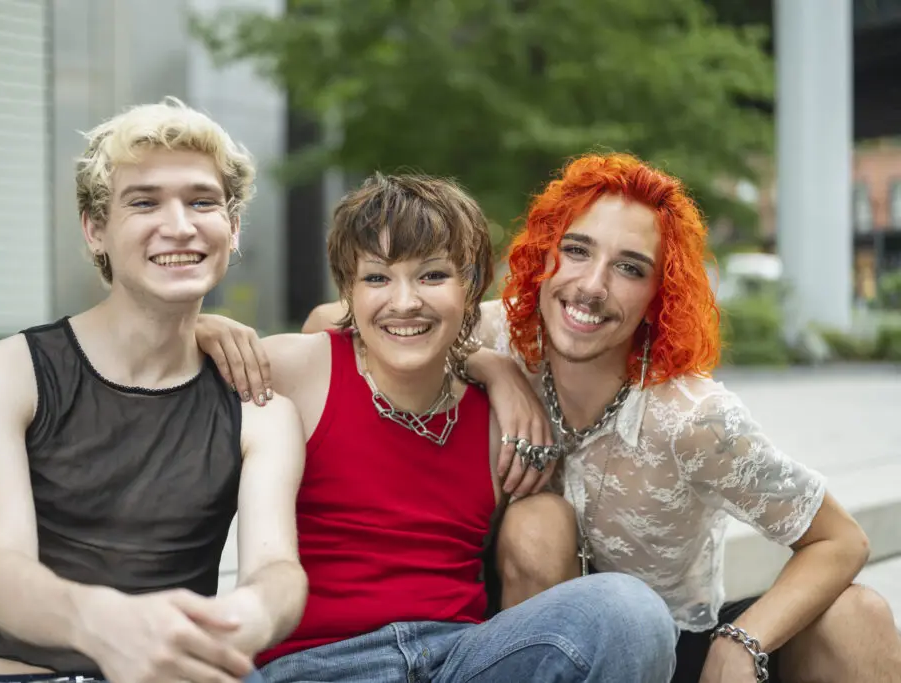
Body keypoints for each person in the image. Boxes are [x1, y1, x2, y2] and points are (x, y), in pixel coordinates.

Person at [246, 154, 901, 683]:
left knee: (858, 615)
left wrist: (741, 641)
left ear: (659, 294)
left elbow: (841, 539)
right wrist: (493, 369)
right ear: (544, 257)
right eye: (578, 251)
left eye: (630, 268)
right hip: (503, 643)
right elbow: (352, 326)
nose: (591, 286)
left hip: (659, 643)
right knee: (539, 519)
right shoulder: (500, 336)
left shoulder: (693, 417)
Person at [195, 172, 679, 682]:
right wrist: (197, 328)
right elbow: (151, 383)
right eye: (377, 278)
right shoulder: (294, 369)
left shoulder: (501, 420)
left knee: (631, 609)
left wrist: (497, 370)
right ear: (350, 292)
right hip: (314, 666)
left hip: (458, 659)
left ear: (470, 287)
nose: (405, 302)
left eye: (432, 276)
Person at [0, 98, 307, 683]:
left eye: (203, 202)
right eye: (144, 202)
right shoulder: (5, 371)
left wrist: (245, 616)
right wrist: (110, 624)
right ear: (96, 230)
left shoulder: (260, 411)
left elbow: (276, 568)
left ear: (233, 227)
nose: (180, 225)